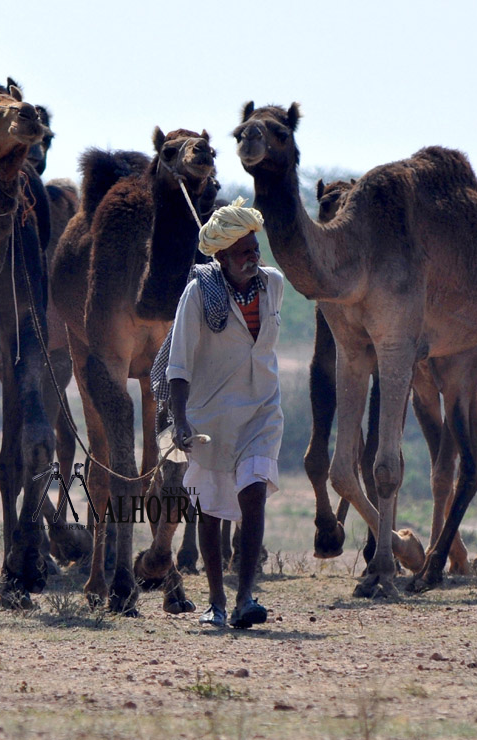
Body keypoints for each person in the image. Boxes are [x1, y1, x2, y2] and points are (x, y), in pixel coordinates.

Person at [166, 197, 284, 629]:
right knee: (213, 510)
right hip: (210, 418)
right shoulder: (200, 293)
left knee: (253, 494)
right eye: (243, 253)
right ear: (221, 257)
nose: (253, 258)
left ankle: (246, 595)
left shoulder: (275, 285)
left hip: (262, 411)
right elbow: (178, 365)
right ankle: (216, 602)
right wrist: (180, 421)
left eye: (255, 249)